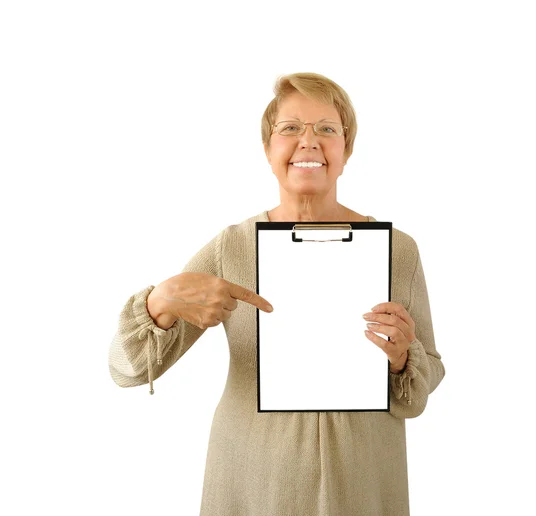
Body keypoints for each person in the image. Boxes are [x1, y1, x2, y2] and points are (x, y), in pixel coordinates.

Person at [108, 72, 445, 516]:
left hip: (364, 477)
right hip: (253, 476)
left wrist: (403, 358)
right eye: (290, 128)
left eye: (327, 129)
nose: (309, 141)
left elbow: (427, 376)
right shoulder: (231, 246)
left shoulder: (398, 251)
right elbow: (125, 370)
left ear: (346, 150)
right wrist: (161, 303)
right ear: (269, 149)